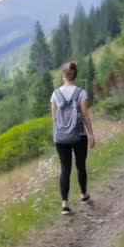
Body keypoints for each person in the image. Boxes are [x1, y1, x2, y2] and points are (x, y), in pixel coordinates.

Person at [51, 62, 96, 215]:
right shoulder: (81, 93)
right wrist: (91, 134)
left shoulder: (55, 94)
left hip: (61, 137)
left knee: (65, 168)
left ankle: (65, 204)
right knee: (80, 165)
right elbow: (85, 115)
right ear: (75, 75)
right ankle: (84, 196)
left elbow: (54, 119)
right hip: (79, 135)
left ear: (63, 76)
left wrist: (56, 135)